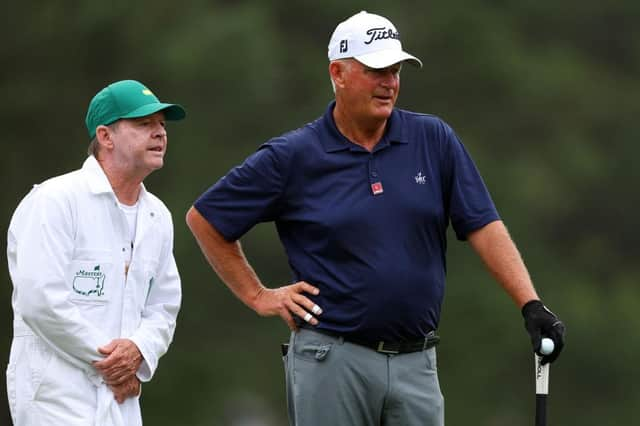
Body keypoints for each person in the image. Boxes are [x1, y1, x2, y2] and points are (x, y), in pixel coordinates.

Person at [186, 10, 566, 426]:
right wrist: (259, 295)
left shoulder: (432, 139)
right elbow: (206, 219)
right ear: (339, 73)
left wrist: (530, 304)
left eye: (396, 70)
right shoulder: (293, 156)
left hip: (416, 364)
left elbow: (483, 225)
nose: (390, 82)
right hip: (331, 360)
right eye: (376, 70)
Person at [6, 79, 185, 426]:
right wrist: (114, 362)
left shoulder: (157, 215)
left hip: (120, 396)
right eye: (144, 123)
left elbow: (164, 305)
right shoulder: (55, 200)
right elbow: (40, 300)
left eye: (162, 124)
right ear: (105, 136)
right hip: (55, 395)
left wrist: (138, 352)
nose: (160, 133)